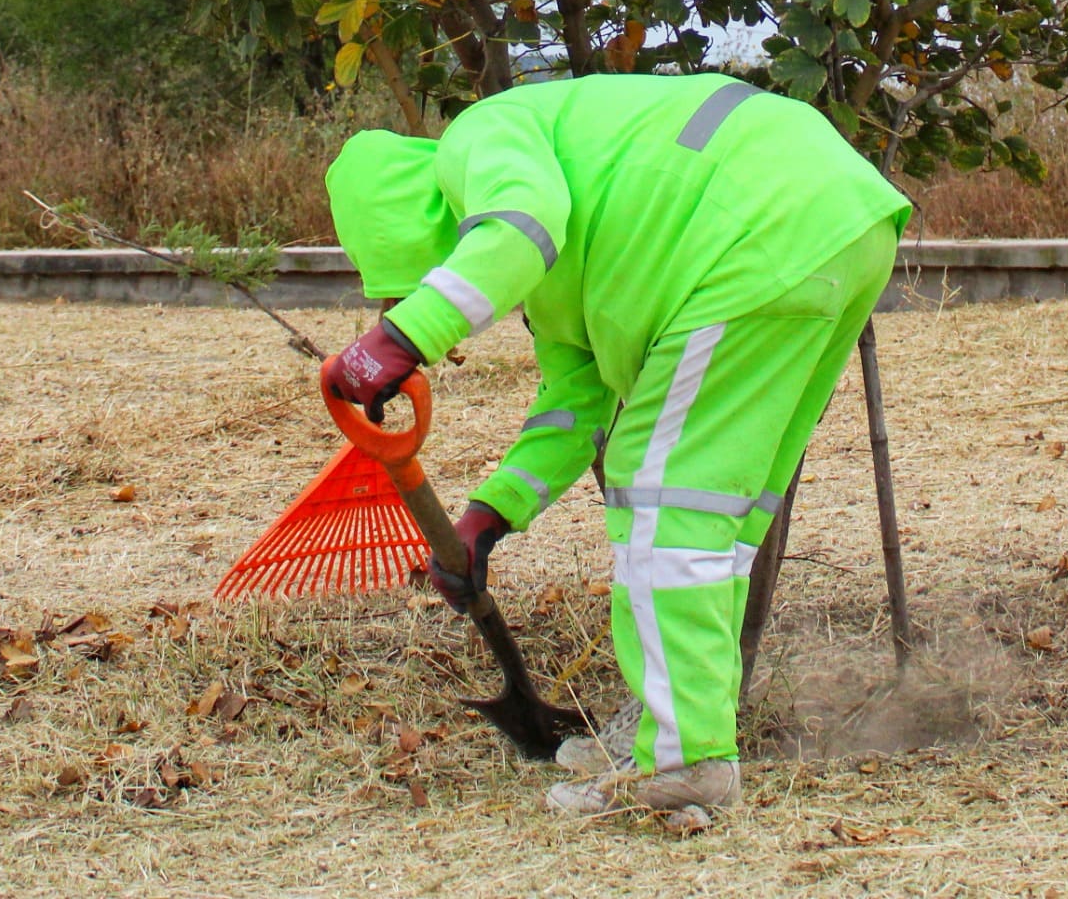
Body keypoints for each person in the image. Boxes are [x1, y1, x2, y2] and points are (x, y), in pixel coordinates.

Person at [323, 71, 909, 816]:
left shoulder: (478, 139)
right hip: (842, 226)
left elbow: (518, 229)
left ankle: (683, 762)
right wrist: (488, 518)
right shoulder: (579, 250)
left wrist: (401, 339)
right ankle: (682, 724)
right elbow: (575, 405)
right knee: (714, 511)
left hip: (751, 228)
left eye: (420, 276)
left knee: (664, 496)